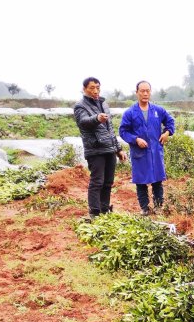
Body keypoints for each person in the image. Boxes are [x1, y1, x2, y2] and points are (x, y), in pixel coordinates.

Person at [73, 77, 127, 219]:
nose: (95, 91)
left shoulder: (104, 104)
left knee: (108, 182)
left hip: (109, 149)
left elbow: (110, 130)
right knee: (97, 181)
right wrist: (96, 118)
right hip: (95, 149)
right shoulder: (80, 106)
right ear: (84, 89)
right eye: (92, 88)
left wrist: (118, 149)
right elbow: (83, 122)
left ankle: (104, 210)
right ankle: (94, 212)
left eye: (98, 87)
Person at [118, 80, 175, 215]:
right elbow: (123, 131)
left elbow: (170, 122)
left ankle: (158, 206)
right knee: (141, 181)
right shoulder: (130, 112)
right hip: (139, 152)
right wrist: (135, 139)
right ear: (137, 93)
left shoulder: (158, 110)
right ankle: (144, 208)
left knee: (157, 180)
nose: (145, 93)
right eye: (142, 91)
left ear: (150, 92)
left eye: (147, 91)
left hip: (155, 151)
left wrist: (167, 133)